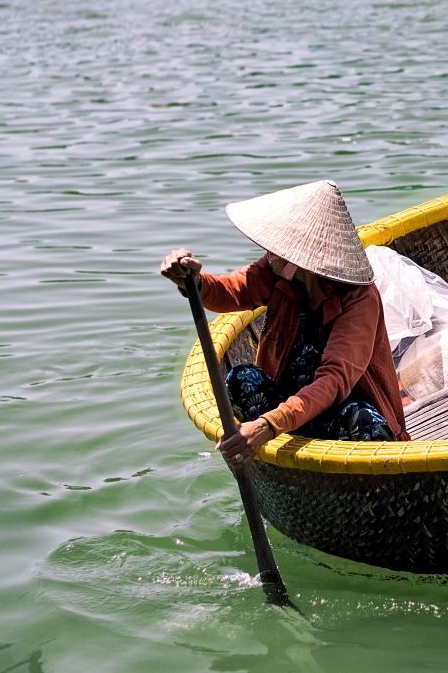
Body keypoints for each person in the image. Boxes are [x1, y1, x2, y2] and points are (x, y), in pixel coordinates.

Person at [160, 180, 409, 468]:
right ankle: (278, 458)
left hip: (338, 415)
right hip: (290, 411)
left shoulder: (358, 298)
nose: (267, 254)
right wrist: (193, 282)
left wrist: (268, 424)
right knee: (240, 379)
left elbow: (334, 381)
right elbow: (232, 291)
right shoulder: (276, 273)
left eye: (276, 249)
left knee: (362, 421)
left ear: (299, 258)